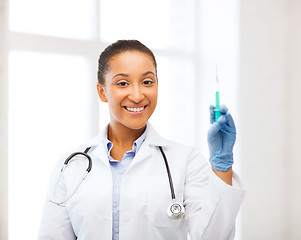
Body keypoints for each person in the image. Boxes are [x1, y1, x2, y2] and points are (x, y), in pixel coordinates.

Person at [38, 40, 246, 240]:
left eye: (147, 82)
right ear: (102, 91)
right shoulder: (71, 164)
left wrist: (222, 166)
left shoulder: (186, 160)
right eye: (122, 83)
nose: (137, 95)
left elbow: (212, 237)